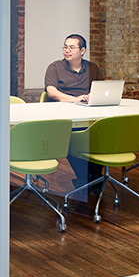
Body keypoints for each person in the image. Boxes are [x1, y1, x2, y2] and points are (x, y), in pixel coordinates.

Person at [43, 34, 104, 200]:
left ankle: (90, 178)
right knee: (71, 137)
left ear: (82, 51)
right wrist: (75, 99)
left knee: (100, 133)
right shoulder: (55, 67)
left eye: (71, 47)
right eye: (65, 47)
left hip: (88, 112)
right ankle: (90, 178)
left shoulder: (92, 68)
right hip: (63, 114)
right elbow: (52, 92)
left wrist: (91, 96)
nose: (67, 50)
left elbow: (101, 89)